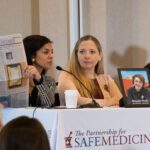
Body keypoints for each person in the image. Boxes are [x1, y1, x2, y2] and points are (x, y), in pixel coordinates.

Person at [58, 35, 122, 107]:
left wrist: (112, 102)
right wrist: (108, 102)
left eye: (92, 52)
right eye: (82, 52)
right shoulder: (67, 75)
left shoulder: (105, 79)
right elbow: (76, 101)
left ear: (99, 56)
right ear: (76, 55)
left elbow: (120, 101)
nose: (87, 56)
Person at [23, 35, 56, 107]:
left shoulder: (49, 81)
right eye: (46, 52)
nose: (51, 56)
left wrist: (39, 79)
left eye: (52, 52)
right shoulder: (18, 80)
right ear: (32, 55)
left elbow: (49, 104)